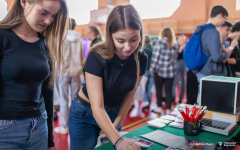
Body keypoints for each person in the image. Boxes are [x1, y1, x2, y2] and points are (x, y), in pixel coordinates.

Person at [68, 4, 147, 150]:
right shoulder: (96, 56)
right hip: (85, 113)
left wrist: (116, 123)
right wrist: (118, 140)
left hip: (114, 113)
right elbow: (97, 106)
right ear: (110, 35)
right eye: (121, 41)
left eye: (134, 39)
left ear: (140, 33)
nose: (128, 47)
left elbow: (130, 95)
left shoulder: (141, 58)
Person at [0, 0, 68, 150]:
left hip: (39, 128)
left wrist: (50, 141)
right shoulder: (3, 37)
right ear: (24, 2)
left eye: (53, 16)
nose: (48, 20)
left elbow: (47, 93)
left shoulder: (44, 43)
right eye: (43, 13)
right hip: (5, 132)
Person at [54, 18, 84, 134]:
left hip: (64, 72)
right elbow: (82, 55)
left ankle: (64, 126)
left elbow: (60, 55)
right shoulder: (79, 38)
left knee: (63, 99)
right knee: (75, 99)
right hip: (76, 71)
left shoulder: (62, 37)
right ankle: (75, 123)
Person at [196, 5, 238, 82]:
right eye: (225, 18)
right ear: (220, 16)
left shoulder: (202, 29)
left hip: (205, 71)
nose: (224, 21)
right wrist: (231, 48)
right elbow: (217, 57)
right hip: (209, 73)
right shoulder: (212, 32)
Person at [149, 27, 179, 115]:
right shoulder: (175, 44)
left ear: (162, 34)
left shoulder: (160, 42)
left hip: (160, 71)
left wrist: (152, 69)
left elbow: (155, 57)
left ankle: (159, 107)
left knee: (159, 90)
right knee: (168, 91)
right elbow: (175, 59)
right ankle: (169, 108)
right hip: (170, 72)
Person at [172, 34, 187, 104]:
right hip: (177, 64)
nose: (183, 41)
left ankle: (181, 98)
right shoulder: (176, 47)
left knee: (183, 82)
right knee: (174, 81)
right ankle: (173, 97)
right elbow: (175, 56)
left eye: (184, 39)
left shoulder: (187, 47)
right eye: (181, 39)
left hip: (184, 64)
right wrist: (180, 50)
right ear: (178, 40)